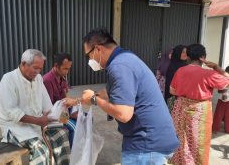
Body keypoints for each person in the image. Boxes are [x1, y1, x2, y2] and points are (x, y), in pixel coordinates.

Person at [64, 28, 179, 165]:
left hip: (146, 145)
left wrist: (94, 100)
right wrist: (77, 101)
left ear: (98, 49)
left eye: (88, 55)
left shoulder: (120, 66)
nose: (89, 60)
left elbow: (123, 114)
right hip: (150, 139)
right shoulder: (124, 59)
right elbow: (108, 92)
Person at [0, 49, 70, 165]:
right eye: (35, 68)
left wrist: (60, 113)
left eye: (40, 68)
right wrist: (38, 120)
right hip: (15, 127)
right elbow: (11, 112)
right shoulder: (8, 79)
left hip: (37, 123)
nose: (38, 71)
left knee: (62, 134)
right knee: (41, 150)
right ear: (24, 63)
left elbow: (47, 105)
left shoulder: (38, 79)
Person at [169, 44, 229, 165]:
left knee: (181, 140)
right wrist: (217, 67)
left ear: (188, 57)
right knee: (198, 143)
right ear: (203, 57)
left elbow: (172, 90)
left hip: (180, 108)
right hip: (199, 111)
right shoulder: (208, 74)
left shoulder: (180, 70)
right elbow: (227, 82)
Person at [43, 53, 78, 148]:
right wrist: (68, 115)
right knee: (74, 127)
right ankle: (72, 154)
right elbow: (48, 108)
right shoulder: (47, 80)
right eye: (65, 68)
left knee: (85, 117)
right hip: (53, 115)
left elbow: (65, 97)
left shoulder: (62, 78)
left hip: (62, 109)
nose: (67, 71)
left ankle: (81, 149)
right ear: (56, 66)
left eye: (69, 68)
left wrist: (72, 106)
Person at [165, 45, 188, 111]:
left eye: (186, 52)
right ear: (177, 53)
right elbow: (169, 83)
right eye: (183, 52)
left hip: (185, 98)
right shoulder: (172, 66)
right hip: (173, 97)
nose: (185, 54)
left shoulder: (187, 66)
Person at [212, 66, 229, 134]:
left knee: (228, 116)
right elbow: (219, 91)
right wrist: (225, 89)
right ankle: (215, 128)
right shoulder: (222, 79)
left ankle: (227, 129)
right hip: (222, 100)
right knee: (218, 115)